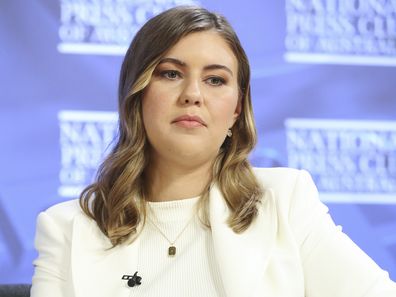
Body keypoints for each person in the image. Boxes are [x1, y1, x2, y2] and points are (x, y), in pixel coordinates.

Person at [30, 6, 396, 297]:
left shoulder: (284, 202)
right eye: (171, 73)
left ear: (236, 110)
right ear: (136, 96)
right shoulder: (67, 229)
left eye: (215, 80)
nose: (193, 94)